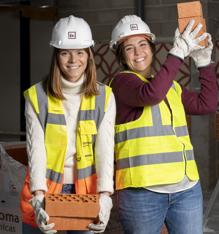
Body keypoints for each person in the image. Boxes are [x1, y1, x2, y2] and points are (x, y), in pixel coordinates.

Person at [109, 15, 217, 234]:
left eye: (142, 44)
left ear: (151, 47)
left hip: (186, 189)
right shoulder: (121, 84)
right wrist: (177, 52)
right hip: (143, 194)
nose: (138, 53)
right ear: (121, 55)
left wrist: (204, 63)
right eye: (129, 48)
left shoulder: (171, 86)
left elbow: (207, 104)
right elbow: (152, 95)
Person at [20, 15, 116, 234]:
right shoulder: (37, 96)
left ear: (89, 56)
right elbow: (36, 149)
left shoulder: (105, 96)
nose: (73, 60)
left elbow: (105, 148)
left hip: (86, 189)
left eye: (80, 52)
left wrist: (105, 196)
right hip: (45, 187)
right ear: (56, 56)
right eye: (65, 53)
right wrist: (38, 195)